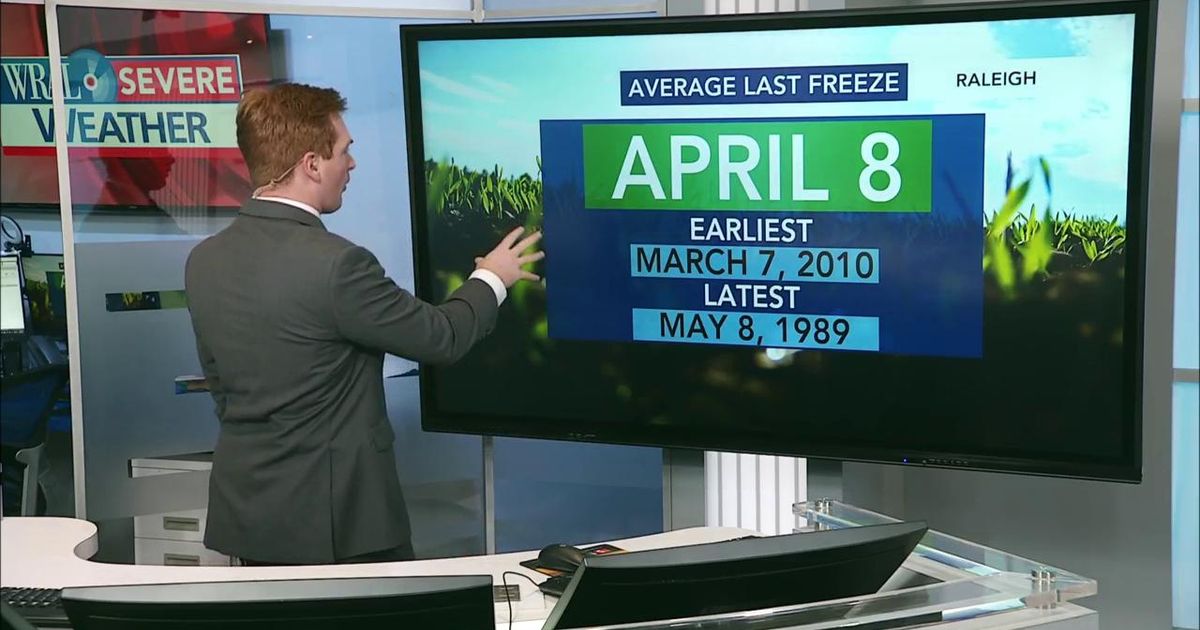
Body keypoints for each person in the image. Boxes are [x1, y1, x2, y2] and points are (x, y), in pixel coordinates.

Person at [184, 83, 542, 565]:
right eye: (344, 151)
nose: (351, 164)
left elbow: (223, 391)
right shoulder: (338, 266)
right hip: (342, 526)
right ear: (312, 165)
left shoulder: (205, 260)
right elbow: (442, 337)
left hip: (251, 519)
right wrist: (492, 277)